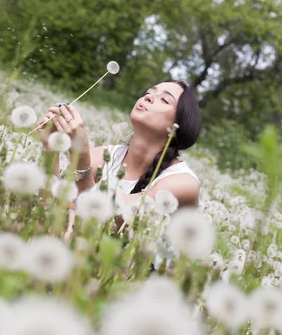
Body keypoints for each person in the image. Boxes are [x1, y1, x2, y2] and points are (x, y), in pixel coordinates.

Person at [37, 80, 201, 235]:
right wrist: (50, 148)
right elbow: (50, 208)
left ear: (178, 127)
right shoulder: (104, 156)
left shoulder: (183, 184)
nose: (148, 97)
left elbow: (106, 219)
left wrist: (81, 157)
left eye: (164, 100)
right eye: (149, 92)